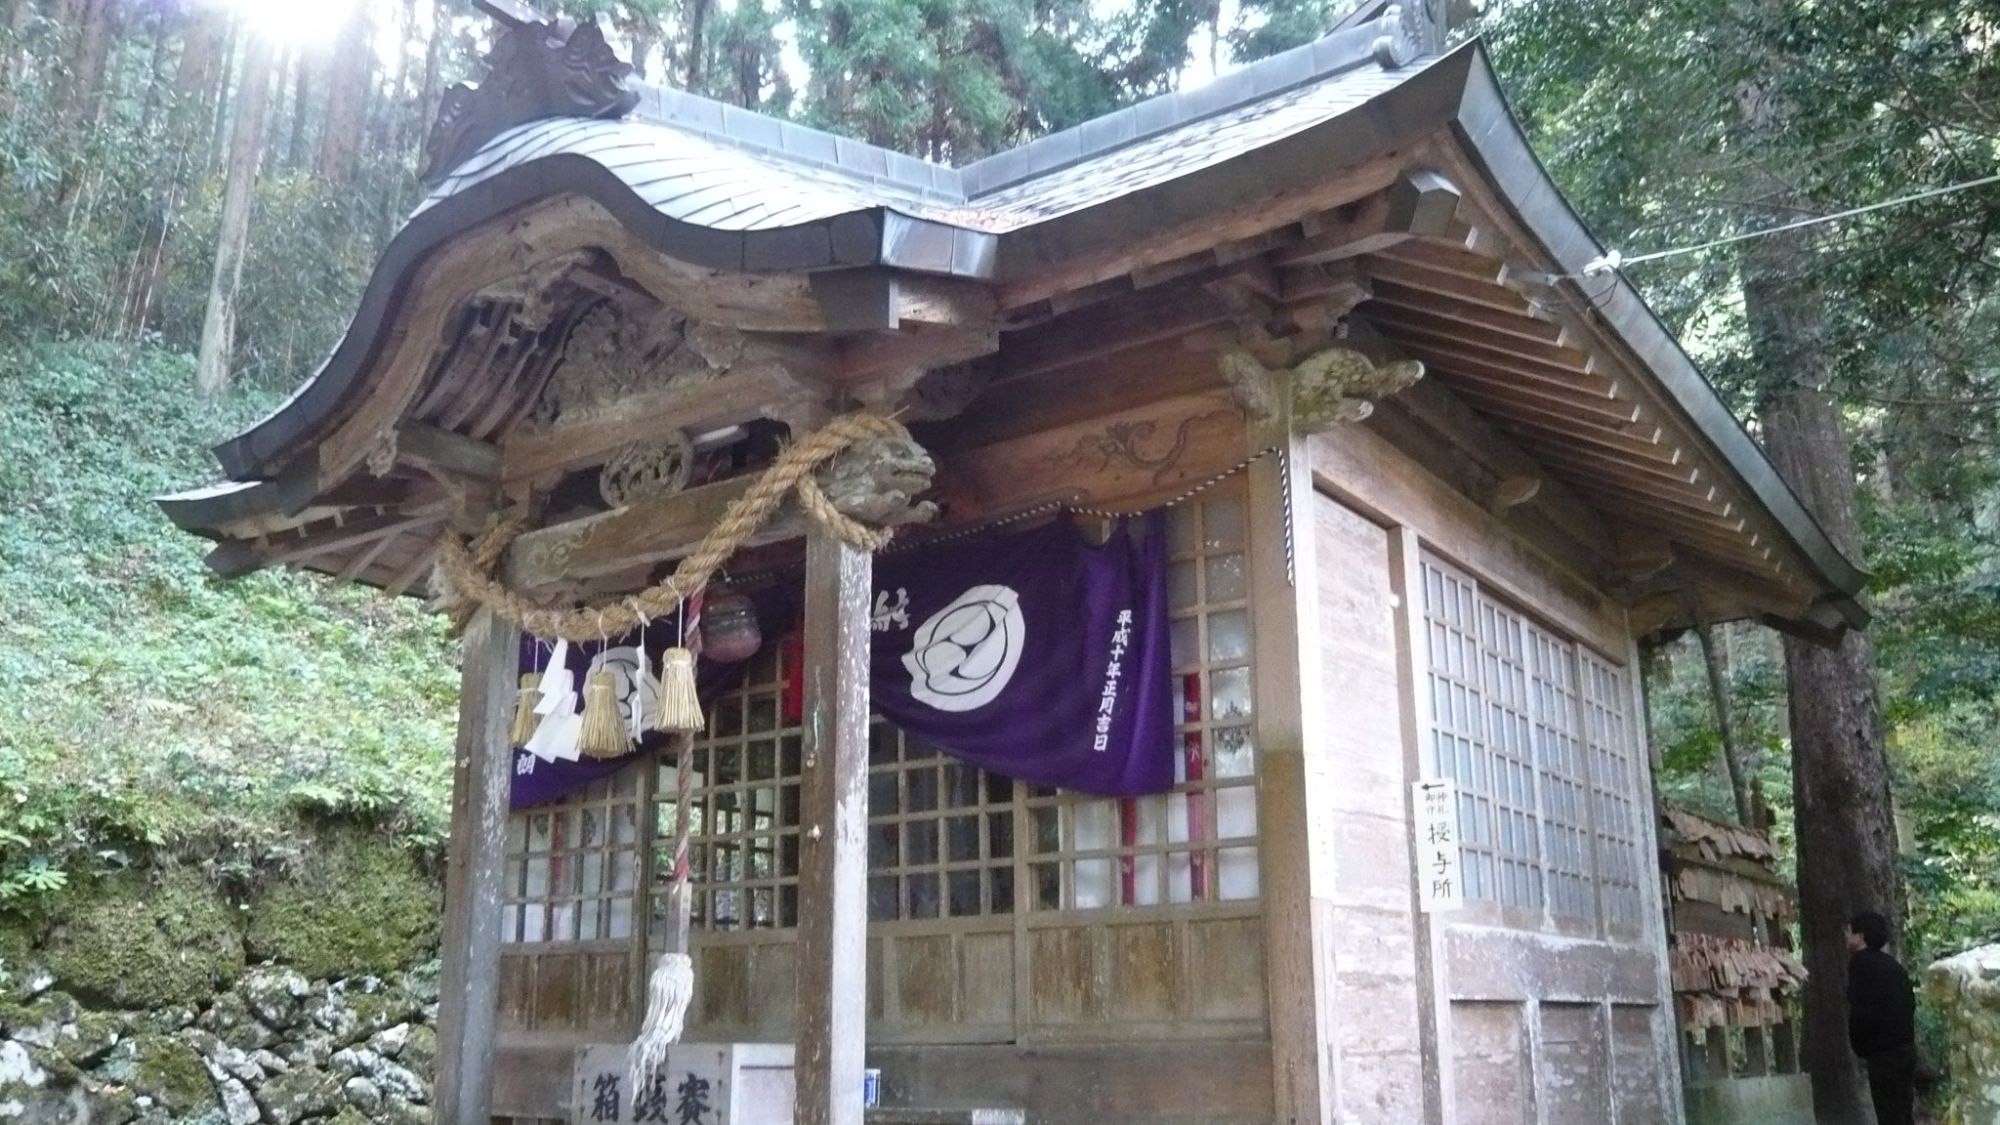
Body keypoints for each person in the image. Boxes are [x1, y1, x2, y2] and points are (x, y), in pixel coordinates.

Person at [1846, 909, 1917, 1125]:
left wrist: (1863, 1045)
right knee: (1903, 1113)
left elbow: (1862, 1009)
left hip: (1883, 1054)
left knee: (1889, 1115)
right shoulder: (1892, 965)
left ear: (1861, 936)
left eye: (1849, 931)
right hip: (1905, 1049)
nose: (1846, 936)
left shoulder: (1861, 964)